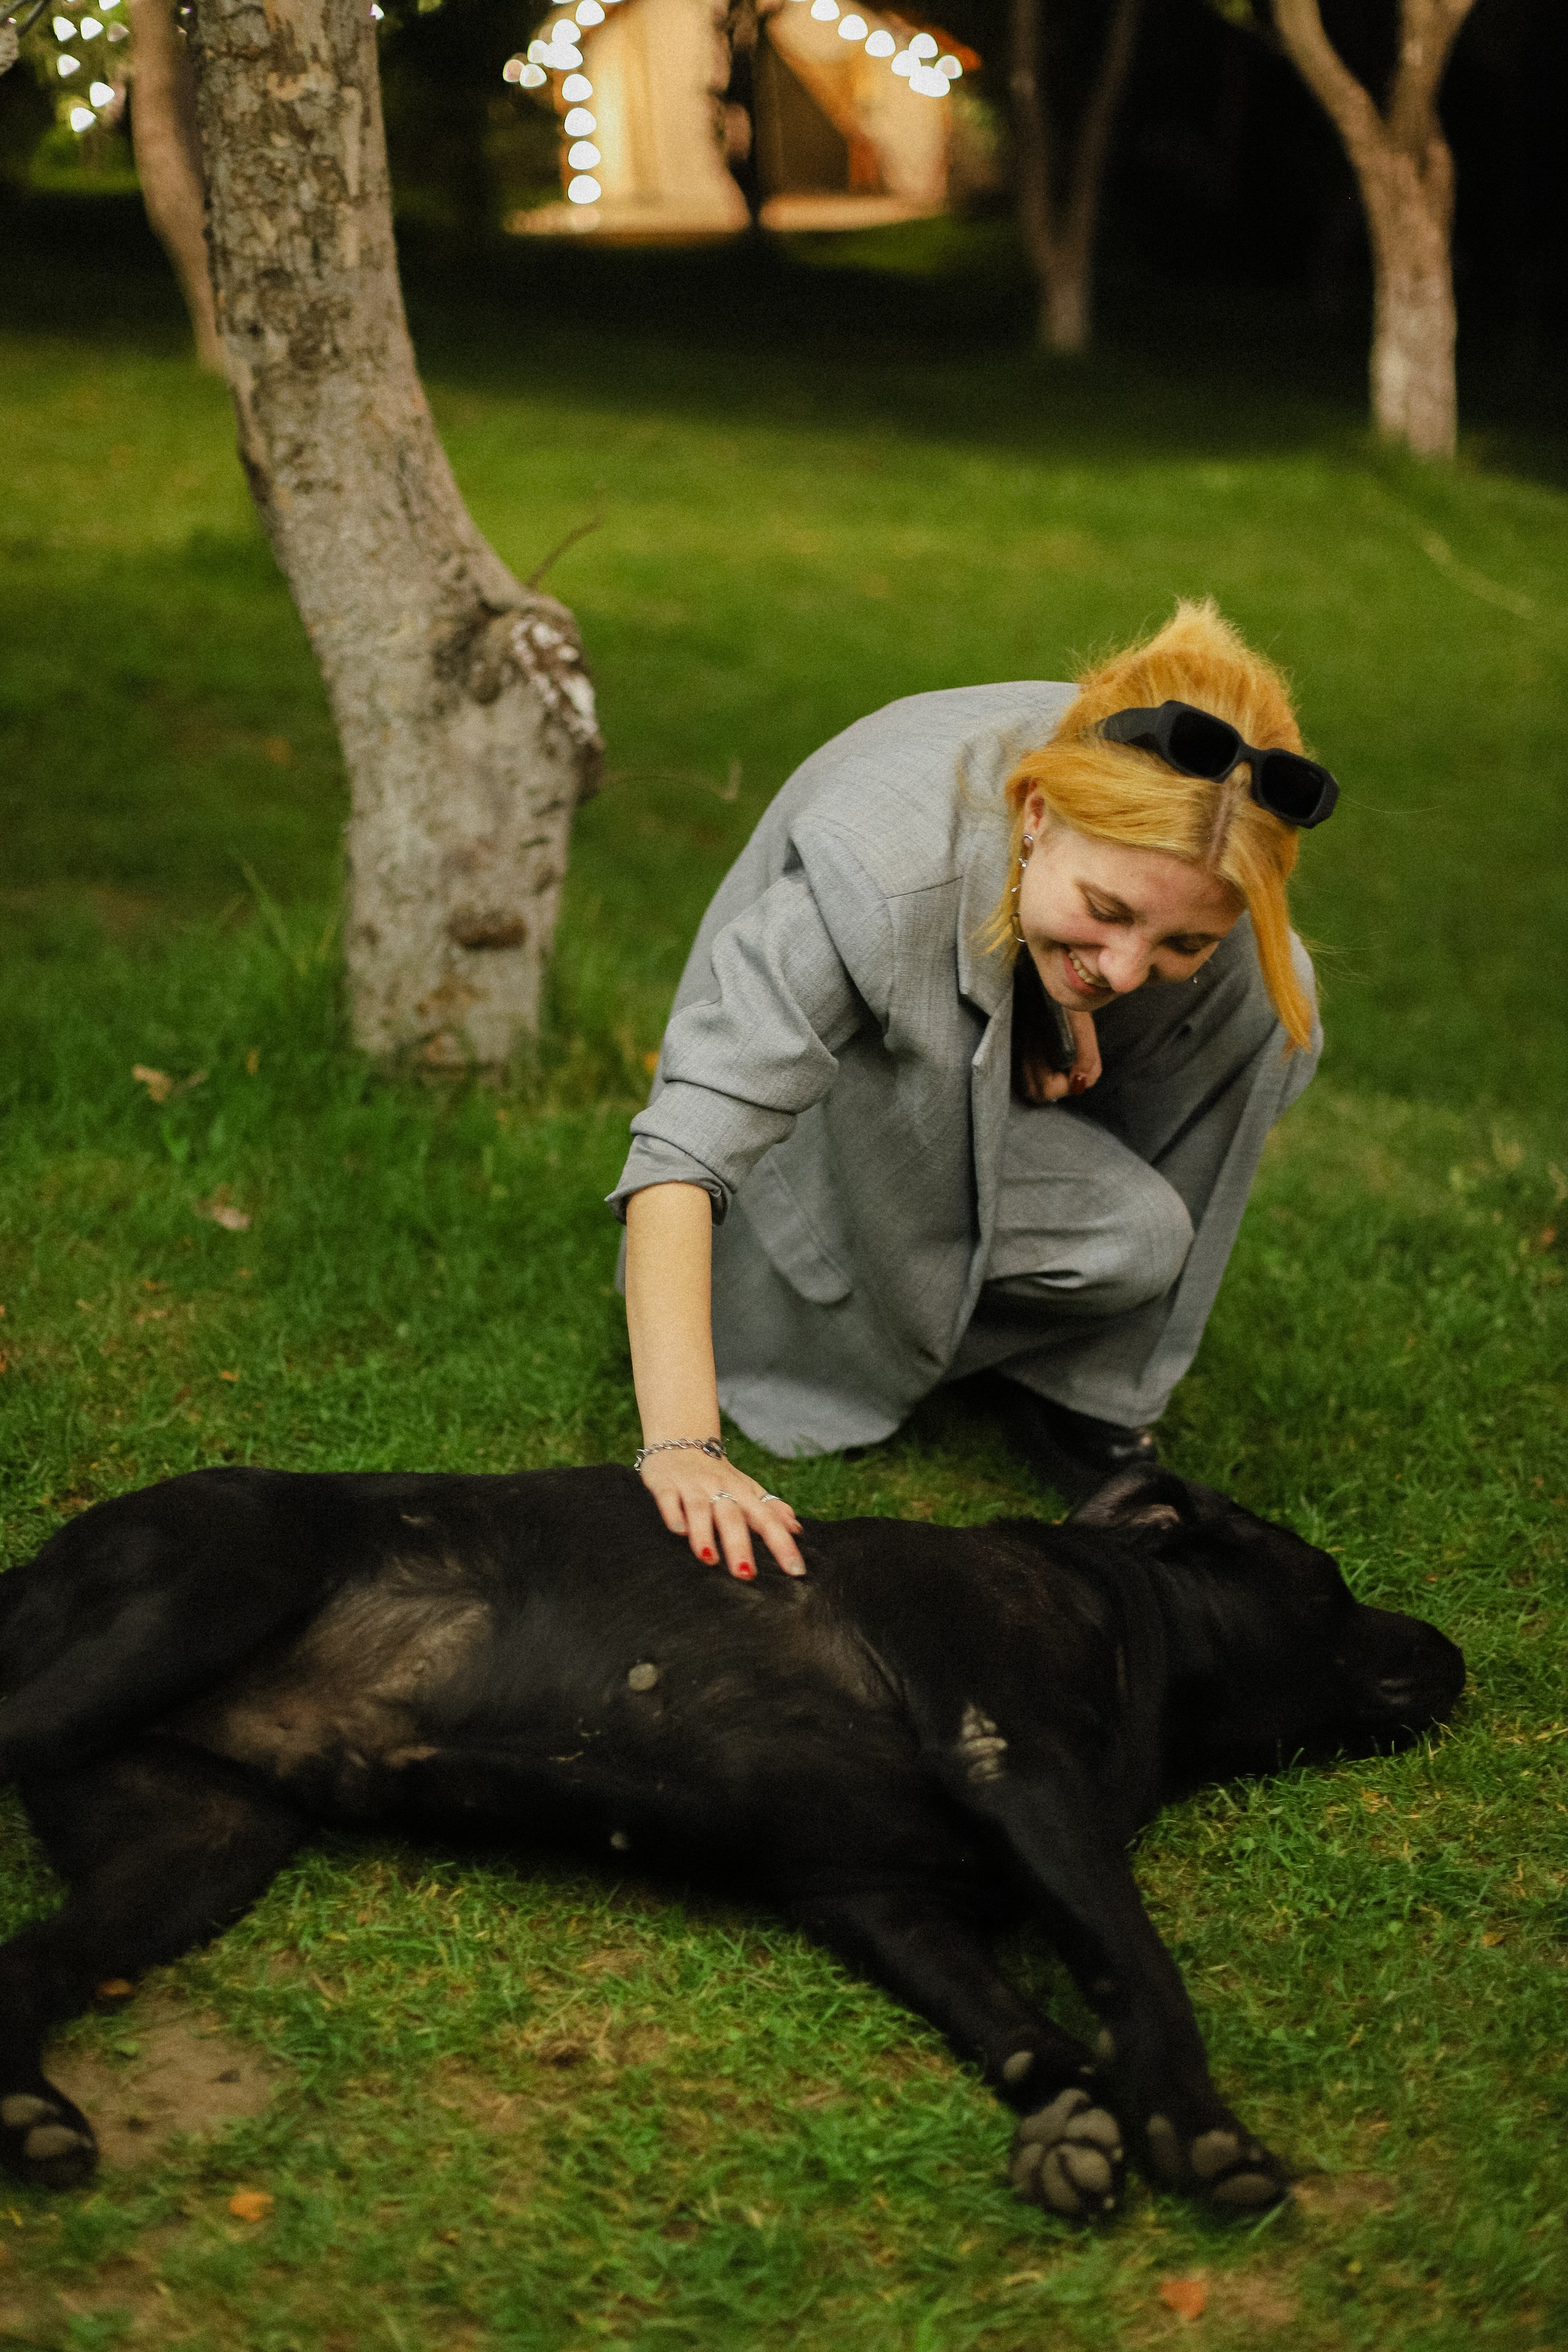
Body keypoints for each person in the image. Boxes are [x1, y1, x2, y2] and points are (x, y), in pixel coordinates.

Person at [609, 600, 1332, 1580]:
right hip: (823, 1137)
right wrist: (684, 1447)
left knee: (1276, 1000)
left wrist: (1057, 988)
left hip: (977, 1041)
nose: (1127, 970)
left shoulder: (1154, 769)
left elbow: (1122, 926)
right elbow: (681, 1148)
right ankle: (908, 1326)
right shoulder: (878, 875)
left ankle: (1086, 1392)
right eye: (1107, 911)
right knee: (1133, 1236)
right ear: (1038, 817)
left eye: (1179, 941)